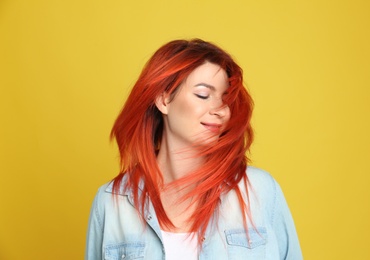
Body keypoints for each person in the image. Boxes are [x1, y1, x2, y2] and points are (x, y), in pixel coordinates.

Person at [85, 39, 302, 259]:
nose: (221, 110)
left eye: (225, 99)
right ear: (164, 99)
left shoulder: (259, 191)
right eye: (203, 95)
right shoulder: (112, 202)